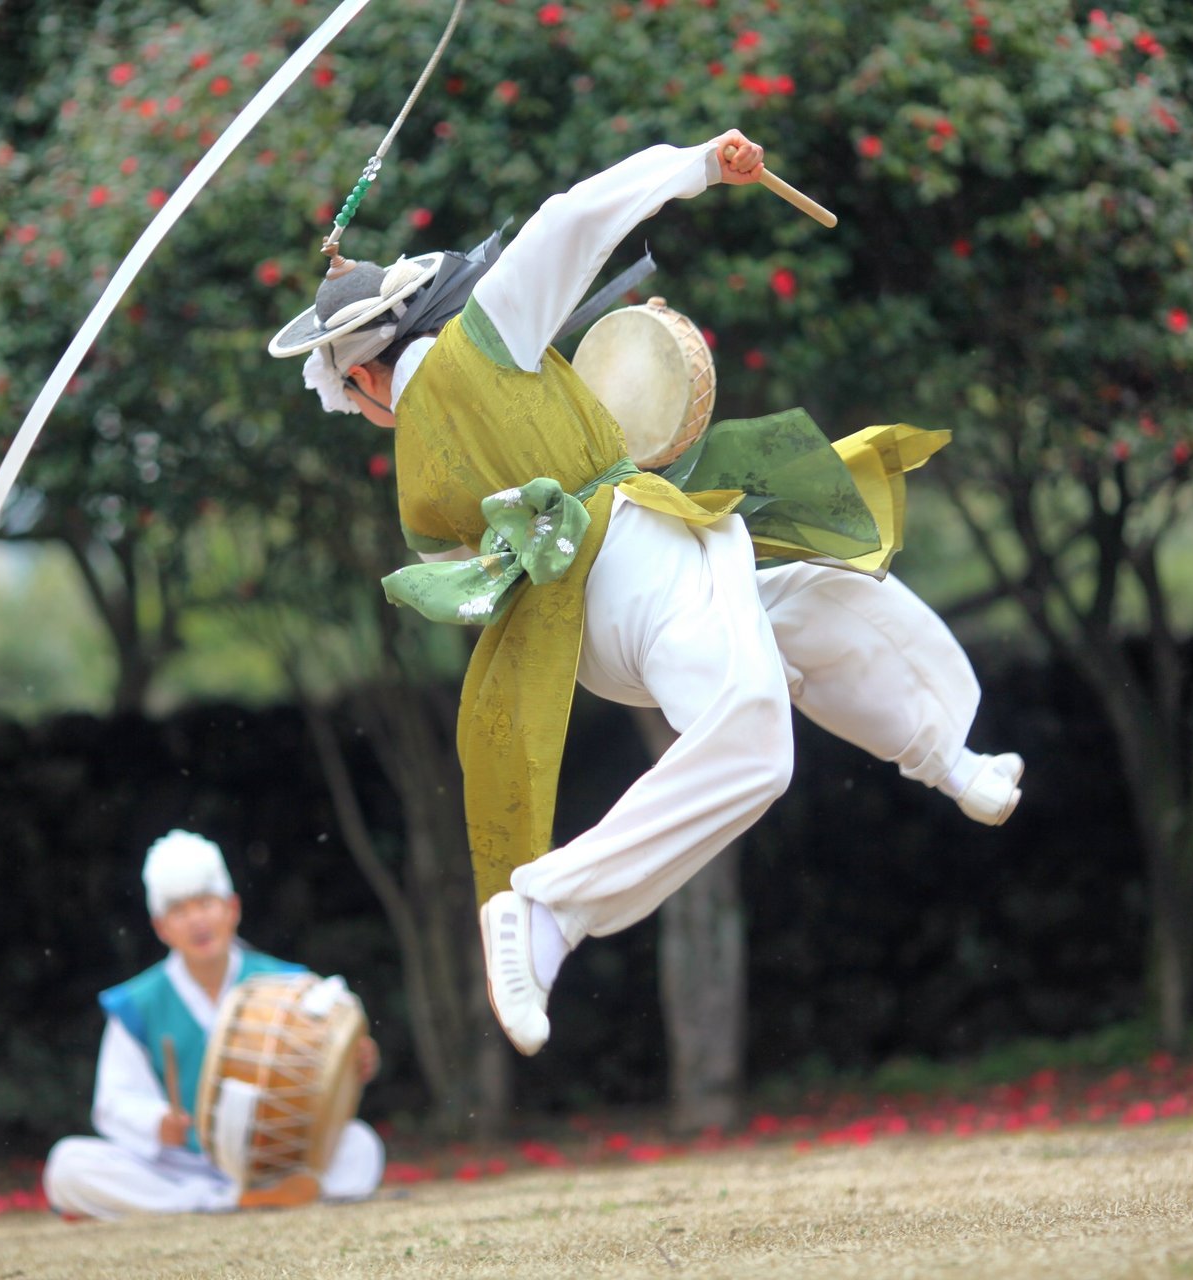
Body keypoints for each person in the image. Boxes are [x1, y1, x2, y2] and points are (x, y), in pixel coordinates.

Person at [268, 128, 1025, 1057]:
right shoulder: (485, 334)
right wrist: (700, 162)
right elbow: (574, 217)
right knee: (754, 738)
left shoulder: (415, 468)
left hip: (582, 635)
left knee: (800, 603)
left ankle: (947, 753)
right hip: (635, 552)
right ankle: (547, 911)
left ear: (365, 377)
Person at [42, 831, 384, 1218]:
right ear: (161, 928)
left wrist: (357, 1060)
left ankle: (246, 1195)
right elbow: (113, 1102)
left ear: (232, 909)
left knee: (360, 1145)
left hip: (276, 1158)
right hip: (179, 1166)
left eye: (206, 904)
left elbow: (333, 1054)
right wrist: (157, 1124)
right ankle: (221, 1201)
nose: (197, 921)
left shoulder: (287, 985)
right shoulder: (137, 1004)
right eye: (180, 911)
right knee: (68, 1164)